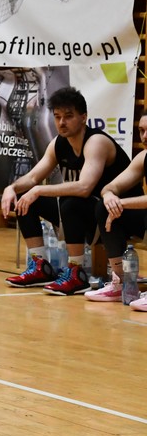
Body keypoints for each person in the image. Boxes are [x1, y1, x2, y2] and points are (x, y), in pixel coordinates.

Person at [1, 86, 134, 295]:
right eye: (57, 117)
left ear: (83, 117)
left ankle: (76, 272)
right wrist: (12, 188)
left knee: (70, 201)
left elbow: (84, 187)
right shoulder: (58, 144)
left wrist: (39, 190)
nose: (62, 122)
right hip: (86, 214)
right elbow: (34, 177)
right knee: (23, 198)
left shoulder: (96, 142)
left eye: (68, 116)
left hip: (117, 216)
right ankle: (40, 266)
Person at [87, 113, 147, 308]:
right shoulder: (142, 157)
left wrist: (122, 203)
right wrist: (109, 196)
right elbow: (110, 187)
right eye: (141, 131)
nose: (144, 136)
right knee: (104, 207)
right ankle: (121, 282)